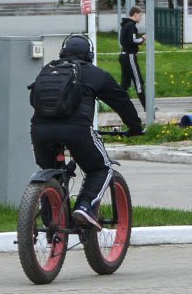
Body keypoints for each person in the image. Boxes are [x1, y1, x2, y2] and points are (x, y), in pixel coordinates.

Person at [30, 34, 145, 229]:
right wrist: (134, 127)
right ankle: (85, 207)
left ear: (62, 53)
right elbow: (121, 102)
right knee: (101, 168)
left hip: (40, 131)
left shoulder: (47, 71)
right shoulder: (95, 74)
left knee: (50, 174)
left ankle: (52, 224)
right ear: (89, 55)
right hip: (77, 131)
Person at [117, 6, 147, 107]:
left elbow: (127, 41)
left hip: (124, 56)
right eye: (140, 15)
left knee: (125, 84)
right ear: (135, 14)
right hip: (129, 57)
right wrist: (142, 39)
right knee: (138, 82)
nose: (141, 17)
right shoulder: (131, 26)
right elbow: (133, 40)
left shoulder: (126, 25)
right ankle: (147, 106)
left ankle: (118, 104)